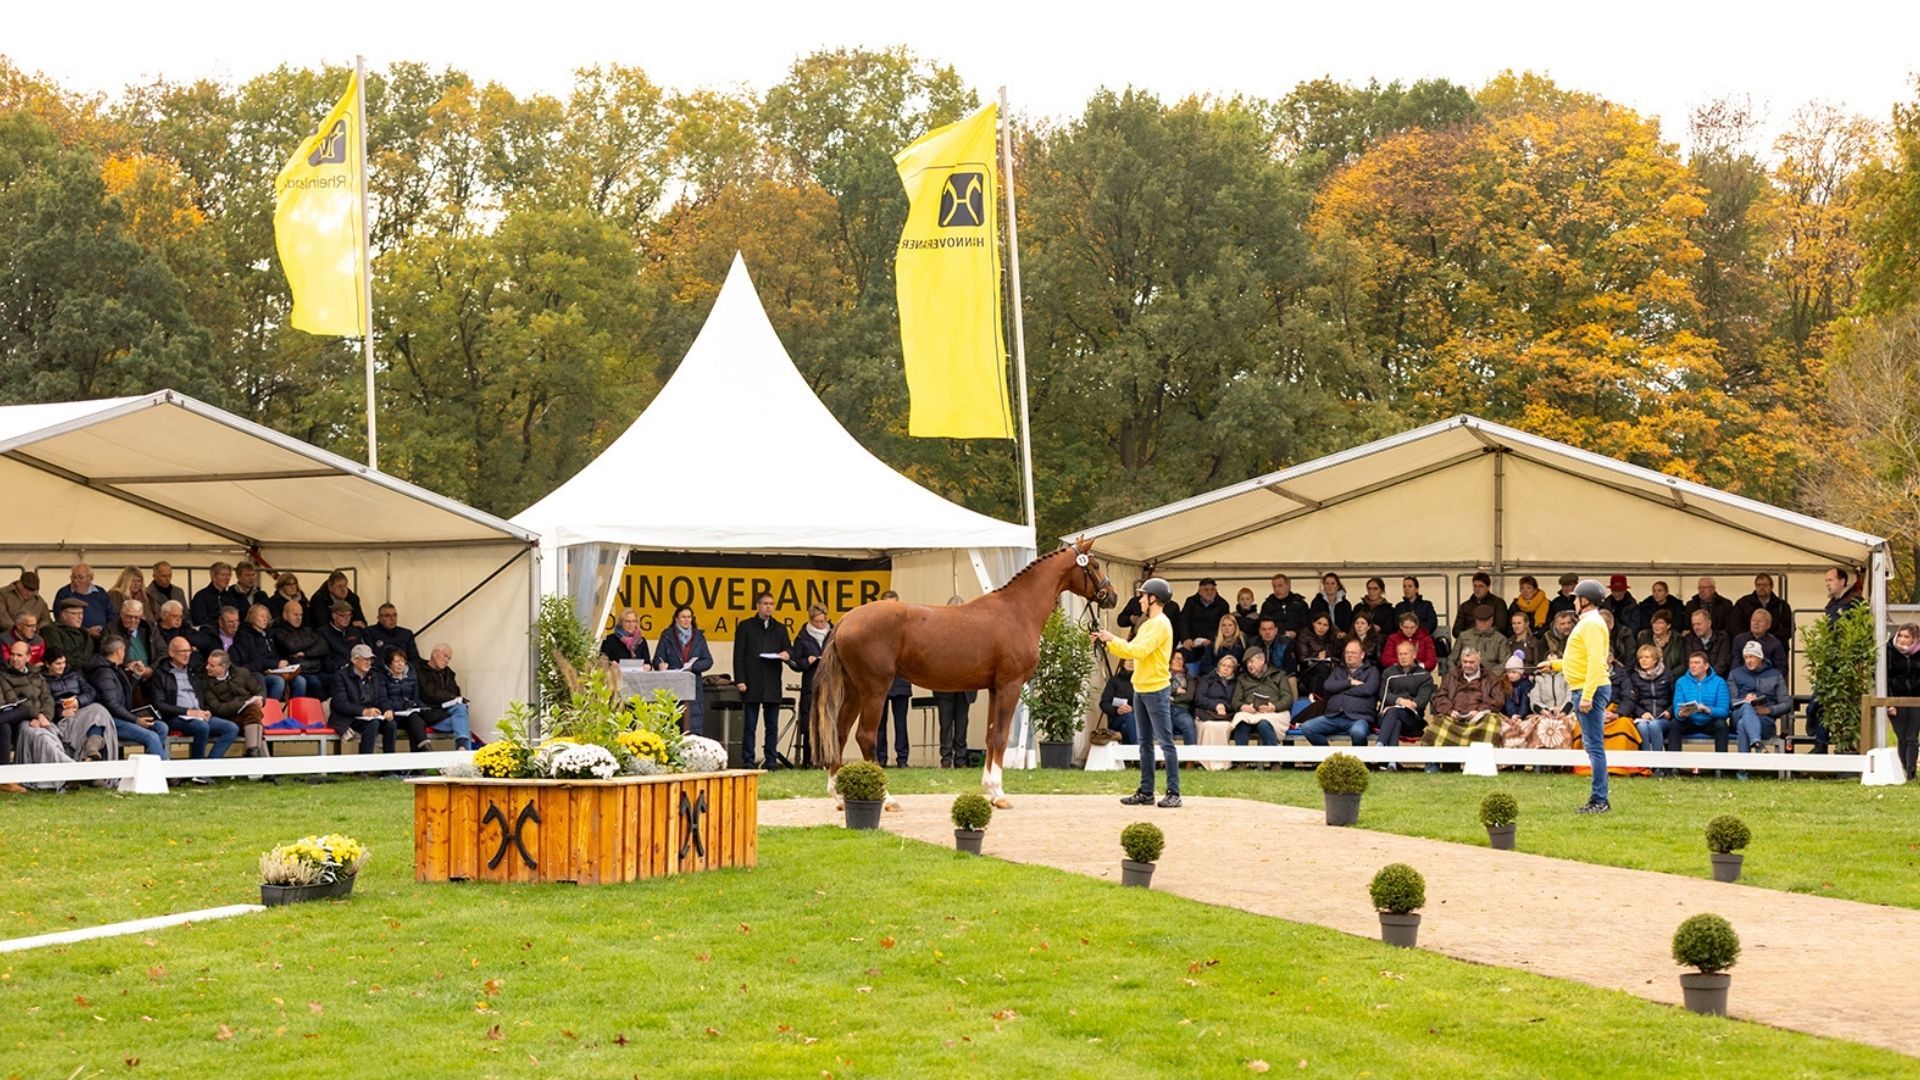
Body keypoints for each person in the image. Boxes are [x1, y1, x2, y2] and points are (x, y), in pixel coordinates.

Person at [1094, 577, 1180, 808]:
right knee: (1145, 744)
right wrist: (1108, 642)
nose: (1140, 600)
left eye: (1143, 596)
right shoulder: (1148, 623)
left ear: (1153, 599)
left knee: (1166, 742)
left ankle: (1174, 792)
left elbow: (1138, 651)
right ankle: (1146, 791)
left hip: (1155, 689)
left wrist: (1113, 639)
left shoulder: (1160, 624)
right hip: (1141, 688)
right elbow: (1132, 651)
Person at [1545, 579, 1614, 812]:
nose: (1574, 601)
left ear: (1585, 600)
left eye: (1576, 598)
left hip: (1588, 689)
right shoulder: (1588, 622)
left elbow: (1596, 661)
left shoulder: (1591, 624)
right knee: (1592, 746)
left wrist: (1587, 695)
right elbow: (1580, 659)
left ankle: (1599, 800)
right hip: (1584, 686)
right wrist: (1555, 666)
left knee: (1594, 747)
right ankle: (1598, 798)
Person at [147, 634, 238, 780]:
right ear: (171, 653)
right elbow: (159, 704)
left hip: (197, 714)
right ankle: (197, 771)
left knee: (231, 728)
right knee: (201, 728)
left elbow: (200, 694)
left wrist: (205, 710)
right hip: (175, 716)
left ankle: (208, 768)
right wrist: (188, 711)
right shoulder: (161, 673)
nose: (186, 655)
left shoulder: (193, 671)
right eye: (182, 651)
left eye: (189, 651)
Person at [1808, 566, 1867, 752]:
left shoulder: (1854, 602)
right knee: (1818, 703)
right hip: (1829, 659)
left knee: (1832, 703)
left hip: (1844, 661)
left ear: (1842, 581)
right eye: (1826, 581)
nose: (1827, 584)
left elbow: (1858, 631)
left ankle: (1840, 745)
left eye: (1830, 580)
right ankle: (1820, 742)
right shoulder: (1832, 603)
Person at [0, 639, 74, 783]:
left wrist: (44, 716)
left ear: (28, 657)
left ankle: (65, 771)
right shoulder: (3, 675)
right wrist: (36, 715)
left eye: (19, 655)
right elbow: (12, 701)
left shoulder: (36, 674)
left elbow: (48, 698)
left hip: (40, 719)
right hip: (19, 719)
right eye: (12, 654)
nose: (14, 659)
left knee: (52, 734)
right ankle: (70, 769)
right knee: (42, 737)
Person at [733, 592, 791, 770]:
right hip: (752, 681)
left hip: (772, 682)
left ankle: (771, 760)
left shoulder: (780, 629)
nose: (768, 607)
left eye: (771, 604)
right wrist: (740, 680)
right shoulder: (746, 626)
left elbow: (789, 649)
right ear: (758, 606)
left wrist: (786, 654)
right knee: (750, 725)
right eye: (765, 604)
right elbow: (738, 656)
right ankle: (748, 760)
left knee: (771, 726)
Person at [86, 637, 167, 762]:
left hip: (122, 716)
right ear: (118, 651)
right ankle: (165, 772)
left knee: (161, 727)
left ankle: (149, 766)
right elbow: (112, 704)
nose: (125, 654)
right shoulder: (103, 672)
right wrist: (136, 720)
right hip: (111, 721)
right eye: (124, 650)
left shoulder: (115, 669)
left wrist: (136, 676)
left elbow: (124, 692)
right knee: (151, 736)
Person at [42, 647, 119, 766]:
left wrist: (78, 701)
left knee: (99, 710)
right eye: (58, 664)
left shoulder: (74, 674)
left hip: (82, 708)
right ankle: (89, 758)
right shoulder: (42, 680)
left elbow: (91, 692)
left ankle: (92, 747)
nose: (62, 666)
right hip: (64, 715)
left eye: (64, 662)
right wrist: (60, 712)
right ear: (47, 664)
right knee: (89, 719)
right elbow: (45, 701)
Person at [1422, 647, 1507, 747]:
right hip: (1453, 718)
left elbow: (1498, 700)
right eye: (1465, 662)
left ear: (1479, 661)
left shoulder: (1491, 678)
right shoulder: (1450, 676)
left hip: (1479, 719)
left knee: (1492, 722)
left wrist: (1479, 711)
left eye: (1471, 662)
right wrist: (1449, 711)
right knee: (1438, 722)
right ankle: (1441, 762)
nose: (1467, 665)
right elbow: (1439, 697)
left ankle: (1482, 760)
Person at [1728, 640, 1789, 775]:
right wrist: (1744, 700)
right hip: (1738, 713)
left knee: (1743, 724)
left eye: (1752, 657)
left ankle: (1743, 771)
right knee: (1746, 708)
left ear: (1760, 657)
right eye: (1746, 657)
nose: (1748, 661)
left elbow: (1786, 704)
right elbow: (1730, 701)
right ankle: (1757, 742)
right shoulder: (1735, 674)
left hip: (1764, 720)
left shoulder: (1775, 675)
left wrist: (1768, 710)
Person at [1300, 639, 1376, 746]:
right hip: (1334, 716)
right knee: (1307, 727)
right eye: (1347, 652)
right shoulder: (1338, 670)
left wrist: (1340, 689)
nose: (1349, 655)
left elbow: (1368, 689)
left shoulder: (1372, 671)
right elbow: (1328, 686)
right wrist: (1350, 682)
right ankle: (1330, 759)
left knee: (1358, 733)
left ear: (1362, 655)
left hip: (1358, 718)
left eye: (1353, 652)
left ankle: (1358, 762)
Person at [652, 605, 714, 736]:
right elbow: (657, 658)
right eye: (683, 617)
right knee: (672, 725)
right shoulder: (667, 635)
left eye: (689, 617)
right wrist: (660, 665)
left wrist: (693, 667)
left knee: (692, 727)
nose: (686, 620)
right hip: (671, 685)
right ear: (676, 619)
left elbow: (708, 661)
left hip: (693, 686)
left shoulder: (699, 637)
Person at [202, 649, 270, 761]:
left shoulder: (242, 673)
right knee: (254, 718)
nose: (207, 667)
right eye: (207, 663)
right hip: (225, 719)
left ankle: (253, 753)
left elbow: (259, 690)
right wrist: (243, 703)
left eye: (212, 665)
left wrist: (261, 700)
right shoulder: (205, 682)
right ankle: (259, 760)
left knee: (253, 712)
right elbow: (218, 709)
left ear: (223, 667)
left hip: (246, 716)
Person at [1620, 643, 1676, 776]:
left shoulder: (1667, 675)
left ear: (1655, 659)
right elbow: (1632, 700)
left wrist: (1669, 711)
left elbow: (1676, 698)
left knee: (1655, 725)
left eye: (1647, 657)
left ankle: (1658, 765)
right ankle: (1646, 765)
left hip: (1663, 717)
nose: (1643, 660)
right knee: (1643, 727)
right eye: (1640, 658)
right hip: (1643, 716)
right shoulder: (1634, 677)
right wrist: (1641, 712)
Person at [789, 604, 833, 766]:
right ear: (811, 620)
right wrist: (805, 662)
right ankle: (810, 760)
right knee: (810, 722)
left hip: (830, 682)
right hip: (811, 683)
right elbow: (794, 662)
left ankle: (828, 759)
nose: (821, 624)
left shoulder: (834, 634)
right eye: (817, 622)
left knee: (829, 721)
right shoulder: (802, 637)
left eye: (823, 621)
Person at [330, 644, 395, 754]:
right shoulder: (341, 676)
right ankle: (364, 765)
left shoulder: (375, 676)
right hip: (349, 717)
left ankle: (389, 765)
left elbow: (382, 698)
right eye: (365, 659)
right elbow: (339, 703)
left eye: (370, 660)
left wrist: (387, 709)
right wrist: (363, 711)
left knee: (391, 724)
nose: (369, 663)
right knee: (373, 723)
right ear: (355, 660)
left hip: (371, 716)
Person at [873, 590, 912, 768]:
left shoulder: (906, 628)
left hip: (901, 682)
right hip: (880, 682)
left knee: (901, 723)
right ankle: (880, 758)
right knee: (879, 723)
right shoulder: (875, 629)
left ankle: (902, 759)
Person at [1376, 640, 1434, 756]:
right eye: (1400, 654)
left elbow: (1421, 702)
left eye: (1406, 654)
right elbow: (1383, 694)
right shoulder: (1389, 673)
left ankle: (1379, 746)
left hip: (1412, 718)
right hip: (1388, 717)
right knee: (1395, 720)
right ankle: (1392, 763)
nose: (1402, 657)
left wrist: (1397, 705)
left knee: (1393, 712)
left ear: (1414, 655)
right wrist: (1400, 701)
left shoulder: (1424, 676)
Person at [234, 604, 301, 700]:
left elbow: (279, 651)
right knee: (278, 682)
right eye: (261, 616)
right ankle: (272, 710)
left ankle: (295, 710)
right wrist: (276, 663)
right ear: (252, 617)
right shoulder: (245, 636)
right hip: (258, 672)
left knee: (300, 681)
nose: (265, 619)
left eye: (267, 616)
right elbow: (255, 659)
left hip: (275, 669)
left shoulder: (270, 634)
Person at [1227, 648, 1291, 750]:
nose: (1249, 665)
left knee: (1264, 724)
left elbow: (1288, 698)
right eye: (1247, 663)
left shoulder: (1279, 675)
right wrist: (1242, 706)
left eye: (1251, 662)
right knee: (1241, 724)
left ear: (1262, 660)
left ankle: (1274, 761)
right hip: (1250, 713)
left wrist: (1274, 707)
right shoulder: (1242, 678)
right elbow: (1235, 701)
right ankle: (1241, 761)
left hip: (1273, 712)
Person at [375, 647, 433, 752]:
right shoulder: (382, 677)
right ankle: (426, 749)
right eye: (397, 661)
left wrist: (423, 708)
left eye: (402, 661)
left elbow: (416, 698)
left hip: (408, 714)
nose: (400, 664)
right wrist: (400, 706)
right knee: (414, 721)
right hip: (391, 714)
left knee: (415, 719)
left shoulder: (411, 675)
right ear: (389, 664)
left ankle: (422, 753)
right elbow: (382, 699)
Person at [1672, 651, 1731, 753]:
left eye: (1697, 663)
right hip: (1689, 720)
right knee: (1675, 724)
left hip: (1710, 720)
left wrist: (1709, 710)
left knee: (1721, 725)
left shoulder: (1719, 682)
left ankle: (1721, 766)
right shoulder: (1681, 681)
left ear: (1706, 666)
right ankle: (1672, 766)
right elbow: (1677, 706)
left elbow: (1724, 711)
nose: (1693, 666)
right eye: (1691, 663)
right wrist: (1681, 714)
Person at [418, 644, 472, 750]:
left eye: (449, 658)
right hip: (431, 715)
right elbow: (429, 694)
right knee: (463, 726)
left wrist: (454, 698)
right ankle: (464, 756)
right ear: (434, 654)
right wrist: (451, 697)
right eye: (445, 656)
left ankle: (462, 749)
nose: (447, 660)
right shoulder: (421, 671)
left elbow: (456, 693)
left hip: (447, 714)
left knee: (461, 714)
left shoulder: (448, 673)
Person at [271, 601, 328, 699]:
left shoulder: (307, 629)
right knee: (314, 683)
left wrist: (306, 653)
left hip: (316, 668)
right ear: (285, 615)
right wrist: (313, 640)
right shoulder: (278, 631)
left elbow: (324, 646)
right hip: (298, 671)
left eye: (301, 615)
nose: (298, 618)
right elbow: (291, 646)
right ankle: (320, 710)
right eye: (295, 614)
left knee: (336, 679)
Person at [1887, 623, 1920, 783]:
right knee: (1901, 736)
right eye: (1900, 635)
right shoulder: (1889, 652)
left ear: (1915, 639)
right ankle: (1902, 769)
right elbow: (1885, 679)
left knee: (1912, 737)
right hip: (1896, 699)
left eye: (1907, 637)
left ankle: (1911, 771)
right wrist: (1889, 702)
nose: (1902, 639)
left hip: (1916, 700)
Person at [1732, 573, 1793, 645]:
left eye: (1764, 585)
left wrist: (1771, 640)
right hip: (1748, 646)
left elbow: (1789, 628)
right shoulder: (1743, 603)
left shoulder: (1782, 605)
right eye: (1758, 585)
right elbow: (1735, 626)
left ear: (1771, 586)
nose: (1761, 588)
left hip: (1775, 647)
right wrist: (1750, 639)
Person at [54, 562, 113, 636]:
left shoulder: (101, 593)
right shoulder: (64, 593)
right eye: (73, 577)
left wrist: (103, 630)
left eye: (80, 578)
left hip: (101, 634)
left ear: (90, 578)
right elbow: (60, 618)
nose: (76, 580)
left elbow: (112, 615)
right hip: (75, 635)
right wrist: (86, 631)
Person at [1180, 578, 1230, 661]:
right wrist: (1186, 638)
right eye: (1206, 590)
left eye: (1212, 589)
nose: (1209, 592)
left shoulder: (1222, 604)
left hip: (1212, 642)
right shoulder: (1191, 602)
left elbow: (1223, 626)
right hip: (1192, 641)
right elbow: (1183, 621)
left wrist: (1212, 640)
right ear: (1199, 591)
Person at [1192, 653, 1238, 740]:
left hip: (1225, 716)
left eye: (1230, 666)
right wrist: (1216, 705)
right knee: (1209, 726)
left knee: (1224, 727)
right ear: (1218, 666)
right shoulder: (1207, 679)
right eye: (1223, 665)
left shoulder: (1235, 684)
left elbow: (1235, 701)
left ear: (1233, 670)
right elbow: (1199, 698)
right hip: (1206, 713)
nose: (1226, 668)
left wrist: (1224, 706)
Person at [42, 598, 97, 668]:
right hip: (67, 671)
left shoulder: (84, 632)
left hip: (89, 669)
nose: (80, 617)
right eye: (75, 614)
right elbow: (58, 657)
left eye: (81, 613)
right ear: (64, 615)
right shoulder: (51, 631)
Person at [110, 598, 158, 676]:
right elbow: (108, 656)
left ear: (141, 616)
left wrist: (151, 669)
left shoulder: (150, 628)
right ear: (121, 613)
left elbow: (163, 652)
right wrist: (127, 664)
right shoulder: (111, 630)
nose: (133, 620)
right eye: (129, 616)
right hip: (123, 674)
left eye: (136, 617)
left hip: (150, 676)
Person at [1098, 659, 1140, 744]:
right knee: (1127, 715)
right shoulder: (1114, 681)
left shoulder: (1140, 682)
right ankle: (1138, 749)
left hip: (1134, 719)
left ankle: (1131, 755)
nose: (1131, 662)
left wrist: (1132, 709)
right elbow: (1104, 703)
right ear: (1123, 662)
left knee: (1126, 727)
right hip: (1116, 719)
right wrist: (1117, 710)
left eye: (1134, 660)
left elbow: (1145, 704)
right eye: (1128, 659)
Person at [1451, 571, 1506, 636]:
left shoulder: (1499, 603)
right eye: (1475, 586)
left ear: (1488, 587)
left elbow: (1501, 627)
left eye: (1481, 586)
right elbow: (1456, 630)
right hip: (1469, 642)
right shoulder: (1464, 606)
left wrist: (1483, 636)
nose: (1477, 589)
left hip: (1491, 642)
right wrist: (1470, 636)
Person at [1732, 609, 1787, 674]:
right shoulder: (1739, 640)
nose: (1756, 624)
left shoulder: (1775, 644)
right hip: (1743, 679)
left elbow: (1781, 668)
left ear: (1768, 625)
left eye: (1760, 621)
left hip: (1767, 680)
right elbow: (1735, 664)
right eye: (1753, 620)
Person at [1455, 605, 1509, 669]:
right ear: (1475, 621)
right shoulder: (1463, 636)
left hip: (1491, 675)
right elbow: (1451, 659)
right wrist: (1456, 674)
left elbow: (1505, 662)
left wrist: (1491, 676)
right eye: (1480, 621)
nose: (1483, 624)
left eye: (1486, 622)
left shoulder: (1500, 639)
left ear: (1491, 620)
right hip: (1464, 674)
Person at [1682, 608, 1732, 677]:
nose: (1696, 628)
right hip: (1696, 679)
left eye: (1699, 624)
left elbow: (1723, 663)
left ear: (1709, 623)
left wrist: (1708, 678)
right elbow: (1689, 662)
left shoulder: (1722, 638)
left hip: (1717, 678)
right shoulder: (1689, 639)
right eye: (1693, 625)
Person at [1260, 574, 1309, 640]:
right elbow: (1262, 626)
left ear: (1288, 586)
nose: (1277, 589)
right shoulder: (1267, 605)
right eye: (1274, 587)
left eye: (1280, 586)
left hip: (1298, 641)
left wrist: (1296, 633)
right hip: (1274, 641)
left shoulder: (1301, 604)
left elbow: (1307, 626)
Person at [1293, 612, 1338, 684]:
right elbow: (1303, 659)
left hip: (1328, 669)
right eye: (1319, 623)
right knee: (1322, 669)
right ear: (1313, 624)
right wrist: (1317, 658)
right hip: (1308, 670)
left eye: (1325, 625)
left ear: (1329, 627)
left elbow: (1336, 657)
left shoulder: (1332, 638)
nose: (1321, 627)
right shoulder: (1304, 636)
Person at [189, 562, 235, 630]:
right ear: (213, 576)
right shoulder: (201, 597)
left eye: (229, 575)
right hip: (209, 634)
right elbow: (199, 620)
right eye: (223, 575)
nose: (227, 578)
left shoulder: (230, 597)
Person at [1600, 574, 1642, 638]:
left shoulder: (1633, 606)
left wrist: (1624, 635)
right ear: (1611, 590)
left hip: (1627, 637)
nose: (1617, 594)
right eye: (1614, 590)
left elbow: (1635, 625)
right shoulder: (1605, 605)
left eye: (1620, 590)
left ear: (1625, 590)